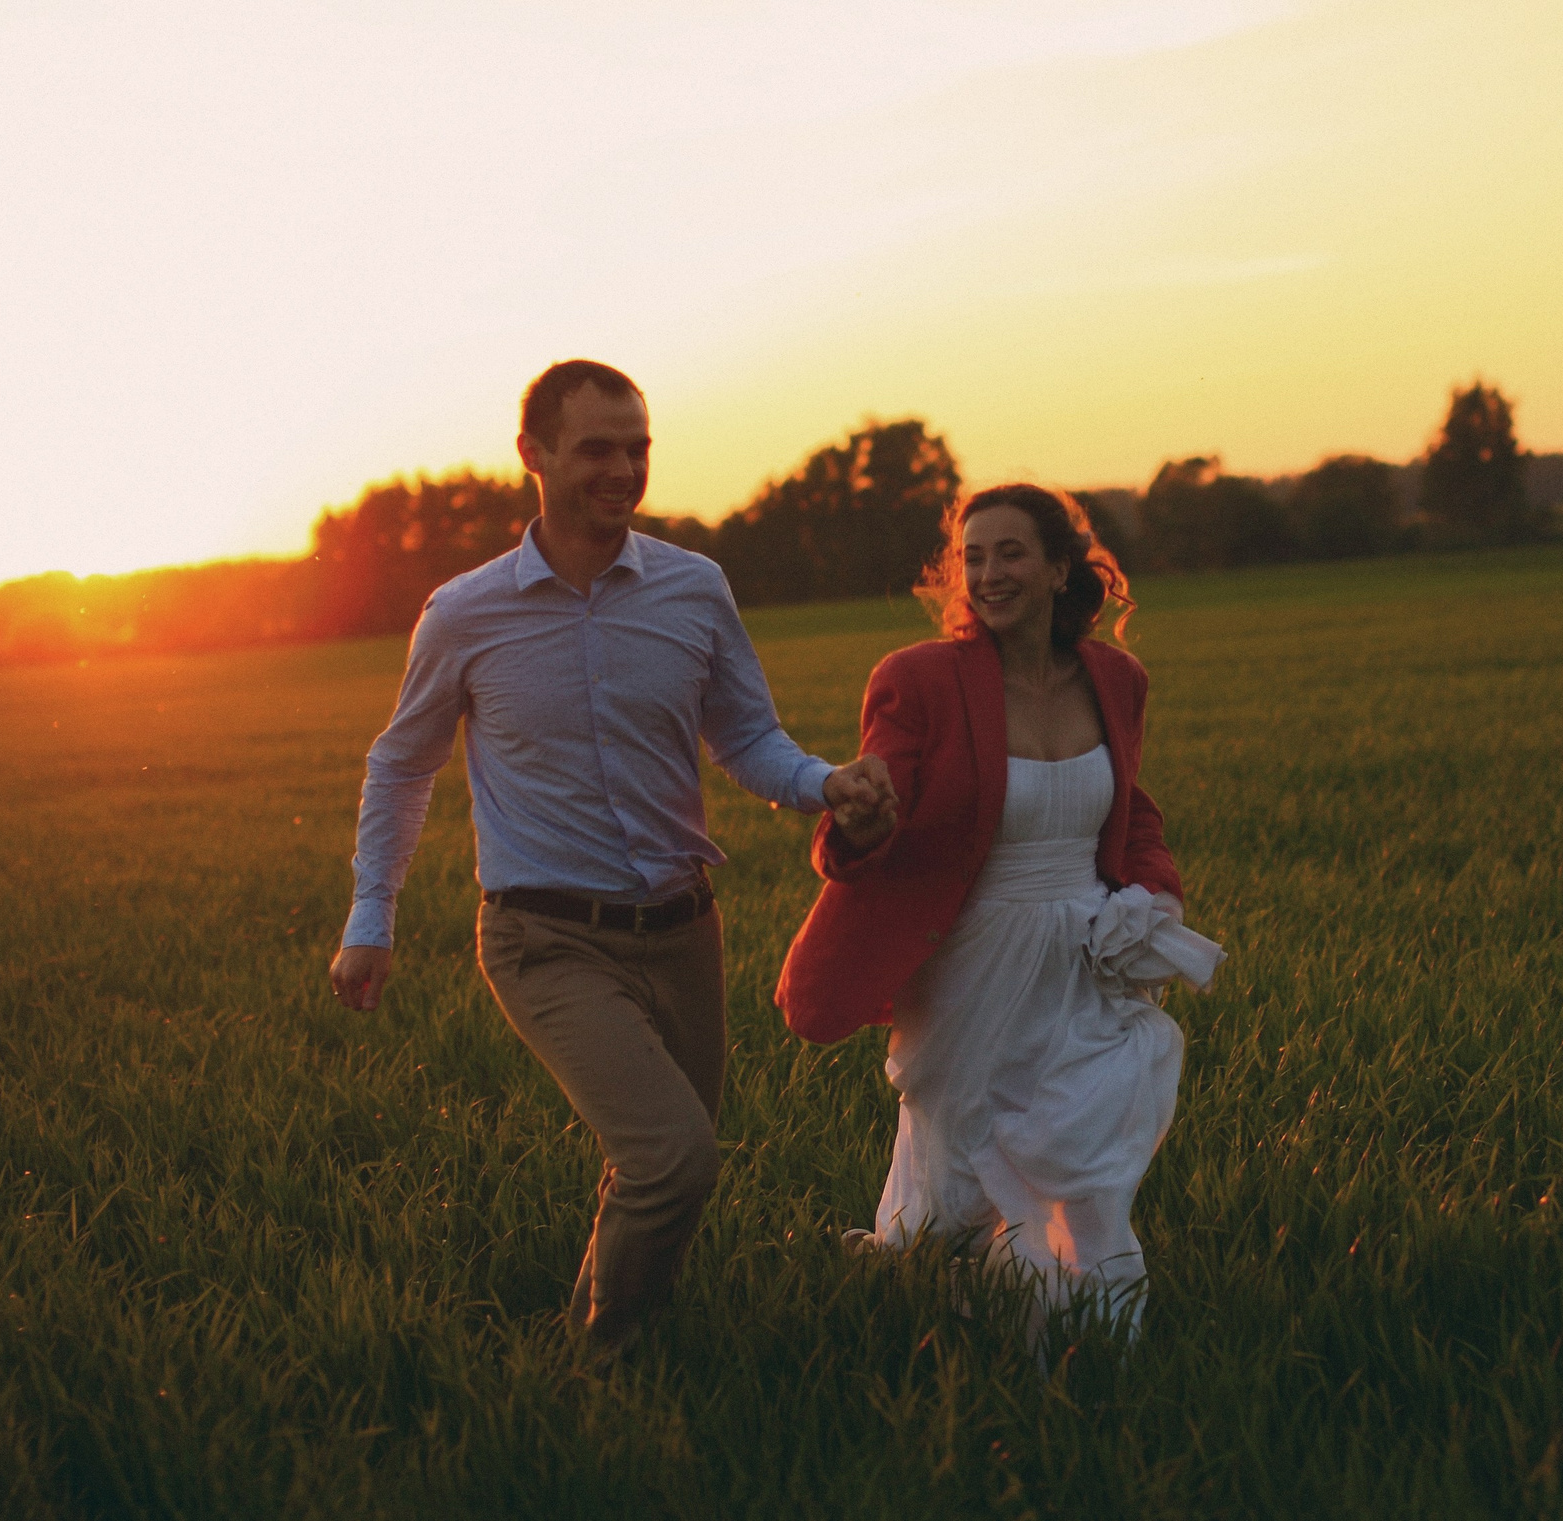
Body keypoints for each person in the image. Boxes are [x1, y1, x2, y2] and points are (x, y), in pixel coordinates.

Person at [328, 359, 896, 1354]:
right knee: (673, 1157)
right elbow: (401, 763)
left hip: (683, 931)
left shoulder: (692, 587)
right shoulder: (465, 612)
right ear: (534, 455)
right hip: (543, 937)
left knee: (657, 1160)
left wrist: (824, 783)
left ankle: (611, 1332)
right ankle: (603, 1362)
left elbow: (747, 738)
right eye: (597, 447)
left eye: (637, 447)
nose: (622, 468)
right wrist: (371, 919)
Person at [774, 483, 1221, 1340]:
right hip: (972, 961)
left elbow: (1133, 809)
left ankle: (1097, 1332)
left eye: (1010, 553)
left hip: (1086, 958)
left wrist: (1153, 895)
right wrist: (862, 818)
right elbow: (865, 822)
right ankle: (919, 1295)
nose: (988, 573)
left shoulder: (1117, 679)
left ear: (1060, 569)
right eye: (973, 558)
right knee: (958, 1184)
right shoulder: (921, 680)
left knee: (1081, 1159)